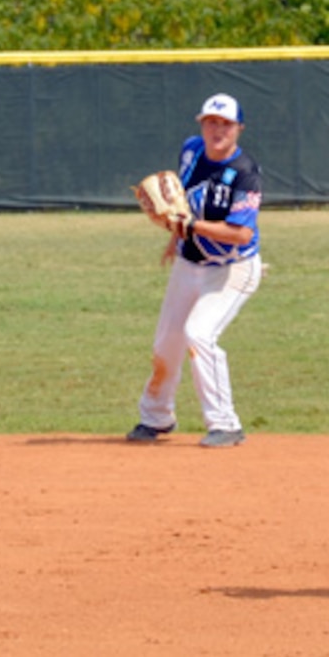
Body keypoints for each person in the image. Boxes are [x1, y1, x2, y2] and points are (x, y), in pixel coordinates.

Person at [126, 93, 264, 449]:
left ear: (239, 129)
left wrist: (189, 227)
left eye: (225, 124)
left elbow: (241, 233)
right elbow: (183, 203)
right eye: (211, 122)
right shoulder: (190, 150)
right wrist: (176, 237)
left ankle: (226, 424)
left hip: (233, 269)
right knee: (166, 343)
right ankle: (156, 418)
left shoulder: (245, 173)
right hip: (190, 263)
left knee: (199, 334)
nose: (217, 129)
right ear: (201, 124)